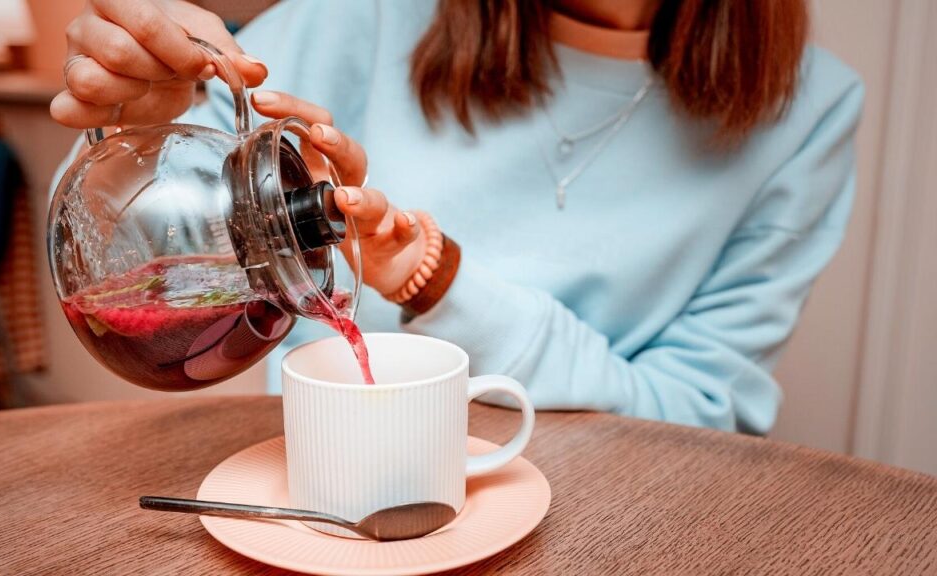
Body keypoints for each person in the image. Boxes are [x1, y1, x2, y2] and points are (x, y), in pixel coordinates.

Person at [51, 0, 863, 434]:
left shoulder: (809, 112)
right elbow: (114, 233)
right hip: (302, 493)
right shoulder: (366, 15)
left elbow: (698, 417)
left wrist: (436, 278)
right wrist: (151, 119)